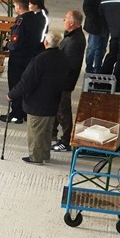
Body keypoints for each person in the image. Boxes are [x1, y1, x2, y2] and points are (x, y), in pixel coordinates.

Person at [9, 31, 71, 165]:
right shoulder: (63, 58)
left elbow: (26, 82)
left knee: (35, 131)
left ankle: (36, 157)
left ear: (46, 42)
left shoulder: (40, 59)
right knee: (47, 131)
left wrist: (12, 94)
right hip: (53, 99)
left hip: (37, 101)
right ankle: (44, 154)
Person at [1, 0, 46, 123]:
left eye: (15, 6)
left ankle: (17, 114)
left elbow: (16, 44)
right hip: (33, 57)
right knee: (30, 84)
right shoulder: (38, 19)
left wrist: (7, 44)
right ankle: (27, 112)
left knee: (16, 85)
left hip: (19, 59)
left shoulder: (21, 21)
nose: (15, 8)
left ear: (19, 7)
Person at [52, 10, 86, 152]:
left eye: (65, 18)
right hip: (61, 81)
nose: (63, 20)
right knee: (56, 107)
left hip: (64, 82)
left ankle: (66, 140)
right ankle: (52, 133)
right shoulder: (71, 36)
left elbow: (69, 66)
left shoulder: (73, 41)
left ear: (72, 23)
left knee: (63, 111)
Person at [82, 0, 116, 73]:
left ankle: (97, 67)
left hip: (107, 24)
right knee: (92, 47)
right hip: (95, 23)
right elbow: (87, 6)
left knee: (102, 48)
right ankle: (89, 68)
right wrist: (94, 19)